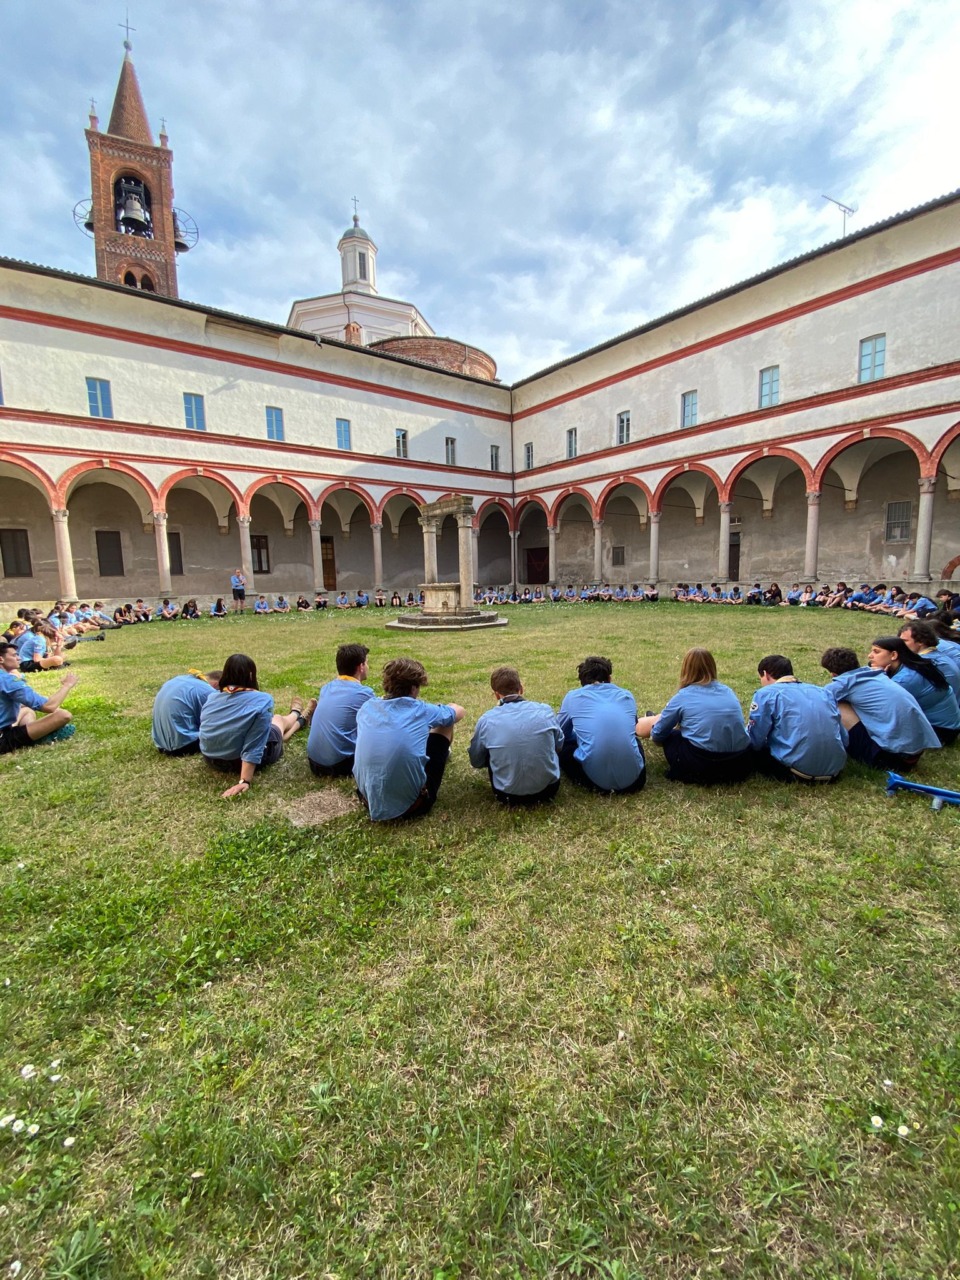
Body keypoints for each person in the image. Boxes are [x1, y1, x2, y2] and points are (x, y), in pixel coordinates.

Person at [353, 657, 464, 821]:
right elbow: (458, 712)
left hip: (368, 800)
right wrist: (450, 706)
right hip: (411, 806)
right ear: (414, 688)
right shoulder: (421, 710)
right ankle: (442, 755)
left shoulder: (367, 707)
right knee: (446, 723)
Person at [199, 652, 316, 799]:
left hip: (210, 759)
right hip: (238, 762)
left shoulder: (212, 697)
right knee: (278, 720)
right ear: (250, 675)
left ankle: (294, 724)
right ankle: (297, 715)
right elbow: (255, 743)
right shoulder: (263, 700)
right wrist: (244, 780)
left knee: (273, 724)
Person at [637, 648, 753, 784]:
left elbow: (658, 734)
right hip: (739, 763)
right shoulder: (728, 692)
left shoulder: (683, 696)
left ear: (686, 669)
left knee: (671, 734)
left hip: (703, 765)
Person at [820, 647, 939, 772]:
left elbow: (818, 704)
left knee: (838, 705)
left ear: (833, 673)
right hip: (915, 753)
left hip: (893, 760)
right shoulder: (877, 675)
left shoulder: (841, 685)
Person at [468, 666, 563, 805]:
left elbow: (476, 760)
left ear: (496, 694)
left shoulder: (487, 720)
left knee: (488, 748)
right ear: (521, 688)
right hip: (548, 790)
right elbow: (559, 745)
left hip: (506, 795)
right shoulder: (545, 710)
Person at [746, 654, 847, 783]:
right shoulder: (823, 692)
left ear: (765, 674)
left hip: (796, 773)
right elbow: (844, 737)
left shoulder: (766, 694)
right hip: (835, 771)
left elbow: (755, 739)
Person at [557, 655, 645, 794]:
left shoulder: (572, 697)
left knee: (564, 748)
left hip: (593, 781)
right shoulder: (627, 695)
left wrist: (581, 737)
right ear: (609, 678)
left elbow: (560, 734)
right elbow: (632, 728)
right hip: (636, 780)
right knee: (633, 740)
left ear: (582, 682)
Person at [867, 636, 959, 745]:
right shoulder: (913, 665)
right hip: (949, 726)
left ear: (894, 655)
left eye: (876, 652)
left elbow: (878, 706)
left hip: (940, 731)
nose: (870, 655)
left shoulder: (906, 679)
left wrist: (878, 676)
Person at [306, 643, 375, 777]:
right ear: (360, 667)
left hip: (313, 762)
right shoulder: (364, 694)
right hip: (339, 765)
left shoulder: (326, 688)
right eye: (367, 663)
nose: (368, 667)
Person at [0, 642, 77, 754]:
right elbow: (49, 706)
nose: (19, 657)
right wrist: (67, 685)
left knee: (27, 711)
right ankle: (36, 739)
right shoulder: (8, 681)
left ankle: (33, 735)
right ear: (1, 659)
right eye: (14, 655)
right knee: (63, 715)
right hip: (2, 738)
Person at [152, 669, 221, 755]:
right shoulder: (208, 691)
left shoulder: (179, 679)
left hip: (160, 744)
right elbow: (216, 722)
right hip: (183, 745)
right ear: (216, 684)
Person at [899, 620, 960, 697]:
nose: (900, 644)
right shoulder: (937, 655)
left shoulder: (927, 662)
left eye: (904, 641)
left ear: (921, 641)